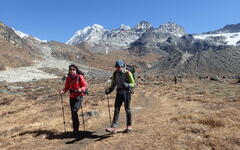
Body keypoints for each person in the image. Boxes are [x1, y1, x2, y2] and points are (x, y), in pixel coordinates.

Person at [105, 60, 136, 133]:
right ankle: (113, 127)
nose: (117, 69)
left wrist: (128, 85)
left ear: (122, 66)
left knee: (127, 109)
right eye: (116, 67)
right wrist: (109, 90)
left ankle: (129, 126)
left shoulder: (128, 73)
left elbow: (133, 83)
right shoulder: (115, 73)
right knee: (116, 109)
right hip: (119, 92)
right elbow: (113, 84)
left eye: (119, 67)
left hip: (126, 92)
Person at [60, 64, 88, 133]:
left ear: (76, 70)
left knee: (74, 110)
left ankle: (76, 128)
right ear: (69, 71)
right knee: (73, 113)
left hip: (79, 96)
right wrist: (63, 91)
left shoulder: (80, 77)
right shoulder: (68, 78)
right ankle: (75, 129)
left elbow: (85, 86)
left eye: (73, 70)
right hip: (72, 97)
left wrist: (81, 89)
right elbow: (66, 87)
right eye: (71, 70)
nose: (72, 71)